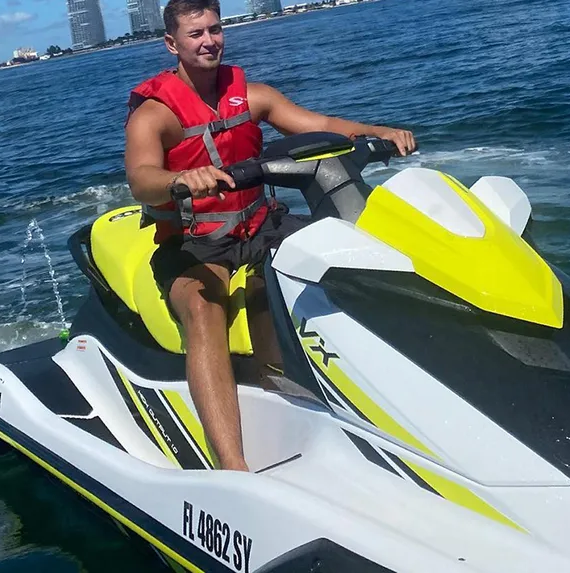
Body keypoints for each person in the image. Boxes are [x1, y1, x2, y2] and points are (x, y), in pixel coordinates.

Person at [124, 0, 416, 472]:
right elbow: (140, 178)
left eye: (215, 30)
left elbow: (319, 126)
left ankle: (369, 401)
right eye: (196, 33)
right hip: (194, 242)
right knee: (205, 309)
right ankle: (232, 464)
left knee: (338, 264)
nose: (209, 41)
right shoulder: (155, 115)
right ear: (172, 43)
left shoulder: (253, 95)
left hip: (261, 225)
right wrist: (179, 180)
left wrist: (376, 131)